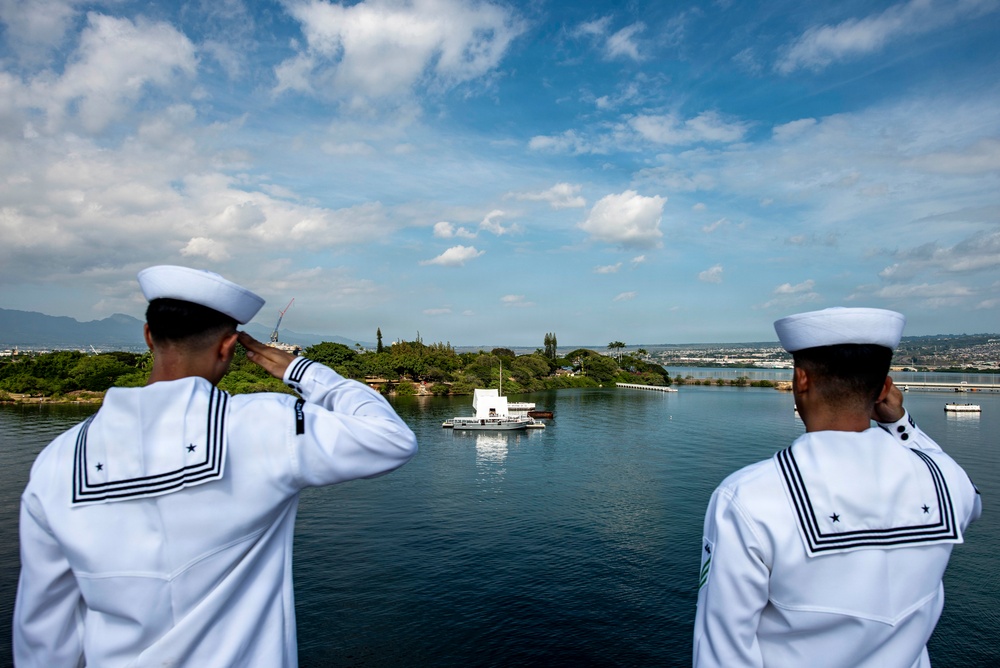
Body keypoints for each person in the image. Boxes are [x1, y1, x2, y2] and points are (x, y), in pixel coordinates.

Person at [14, 265, 418, 667]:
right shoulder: (266, 425)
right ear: (228, 346)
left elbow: (44, 637)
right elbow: (391, 438)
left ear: (148, 337)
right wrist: (299, 369)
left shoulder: (57, 461)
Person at [693, 307, 981, 668]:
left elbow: (724, 652)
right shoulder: (945, 481)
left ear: (801, 379)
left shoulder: (749, 498)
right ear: (885, 389)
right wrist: (902, 425)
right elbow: (968, 495)